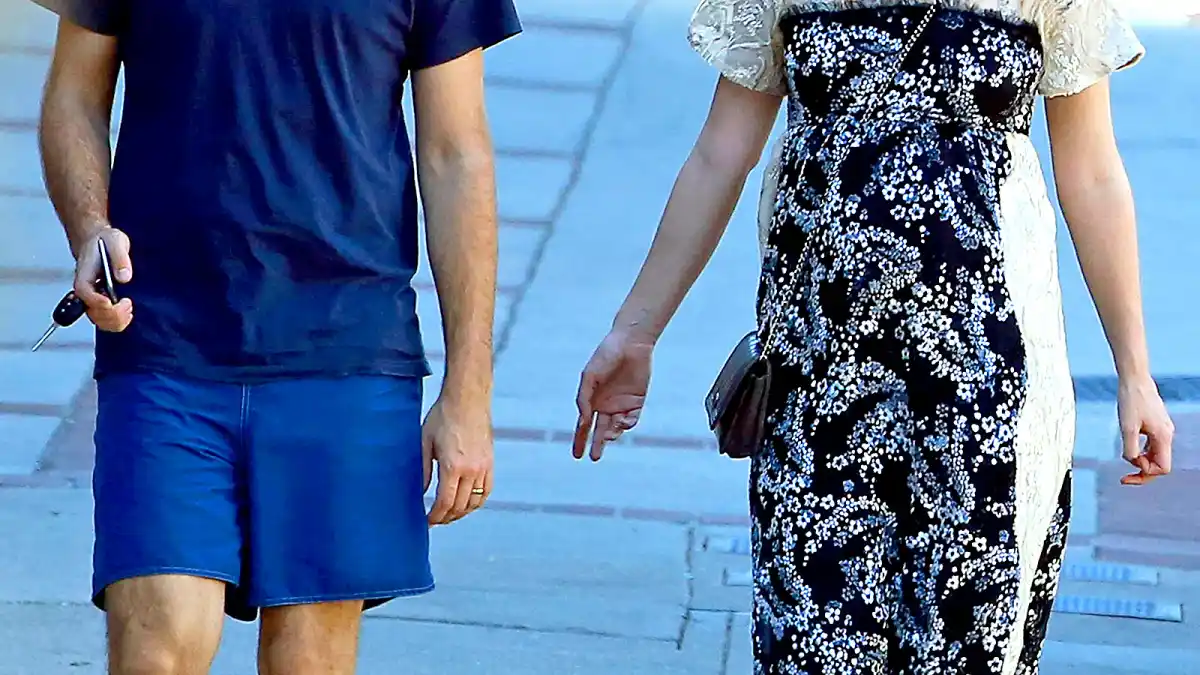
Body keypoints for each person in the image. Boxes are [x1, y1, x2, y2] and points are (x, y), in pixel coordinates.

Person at [572, 0, 1175, 673]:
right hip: (815, 382)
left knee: (967, 652)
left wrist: (1135, 372)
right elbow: (720, 154)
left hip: (990, 390)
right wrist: (636, 332)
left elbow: (1092, 173)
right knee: (810, 645)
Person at [35, 0, 518, 671]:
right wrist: (89, 226)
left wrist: (469, 388)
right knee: (157, 646)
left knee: (308, 658)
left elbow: (456, 153)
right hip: (165, 341)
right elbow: (73, 95)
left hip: (349, 347)